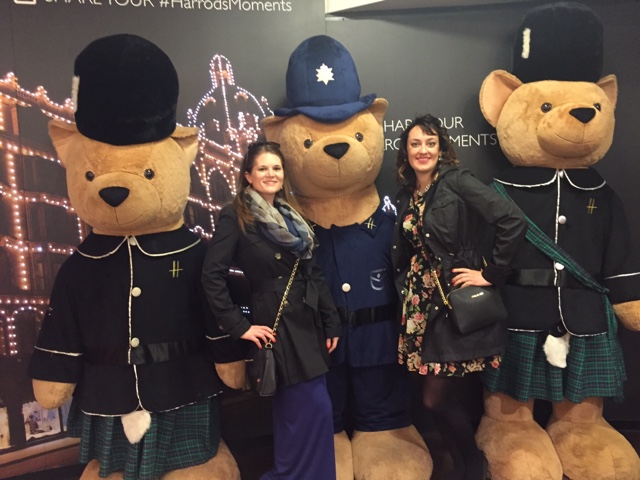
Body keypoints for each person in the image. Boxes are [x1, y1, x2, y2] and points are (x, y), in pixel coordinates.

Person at [391, 114, 526, 480]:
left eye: (430, 143)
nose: (423, 150)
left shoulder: (456, 181)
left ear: (441, 148)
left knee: (434, 397)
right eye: (415, 144)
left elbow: (512, 220)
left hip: (448, 301)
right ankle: (462, 464)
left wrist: (491, 274)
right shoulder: (408, 193)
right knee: (432, 398)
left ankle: (473, 462)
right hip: (420, 302)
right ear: (405, 151)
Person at [201, 140, 341, 480]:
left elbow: (314, 273)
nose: (270, 174)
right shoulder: (235, 216)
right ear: (248, 176)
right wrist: (239, 325)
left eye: (276, 168)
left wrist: (331, 321)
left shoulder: (293, 216)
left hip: (308, 320)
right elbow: (211, 275)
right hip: (276, 322)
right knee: (304, 409)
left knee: (310, 411)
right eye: (262, 168)